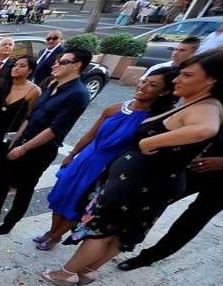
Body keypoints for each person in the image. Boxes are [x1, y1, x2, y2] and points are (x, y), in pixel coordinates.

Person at [43, 50, 223, 286]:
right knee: (119, 233)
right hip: (149, 182)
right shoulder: (206, 103)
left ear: (212, 79)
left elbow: (206, 129)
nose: (177, 80)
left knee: (101, 231)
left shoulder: (206, 108)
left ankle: (66, 273)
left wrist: (148, 142)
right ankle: (88, 271)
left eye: (187, 75)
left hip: (141, 184)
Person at [36, 71, 177, 249]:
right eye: (144, 80)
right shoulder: (115, 108)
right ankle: (51, 231)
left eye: (153, 85)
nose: (143, 86)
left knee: (82, 204)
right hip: (87, 158)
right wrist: (72, 155)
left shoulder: (152, 122)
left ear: (164, 92)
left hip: (109, 168)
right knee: (61, 196)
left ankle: (56, 236)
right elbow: (90, 135)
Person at [0, 48, 93, 234]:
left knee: (24, 188)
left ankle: (10, 222)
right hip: (22, 140)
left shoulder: (78, 94)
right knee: (2, 179)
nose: (56, 64)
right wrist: (16, 142)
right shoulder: (51, 84)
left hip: (40, 151)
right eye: (57, 61)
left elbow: (54, 129)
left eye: (63, 62)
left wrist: (23, 149)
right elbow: (30, 117)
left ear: (77, 65)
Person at [118, 121, 223, 272]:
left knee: (194, 219)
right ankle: (121, 237)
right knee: (154, 200)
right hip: (202, 161)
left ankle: (148, 257)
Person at [0, 56, 41, 161]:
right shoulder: (2, 83)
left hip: (5, 138)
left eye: (22, 66)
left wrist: (16, 141)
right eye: (15, 65)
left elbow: (27, 119)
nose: (16, 68)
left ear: (30, 70)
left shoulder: (34, 91)